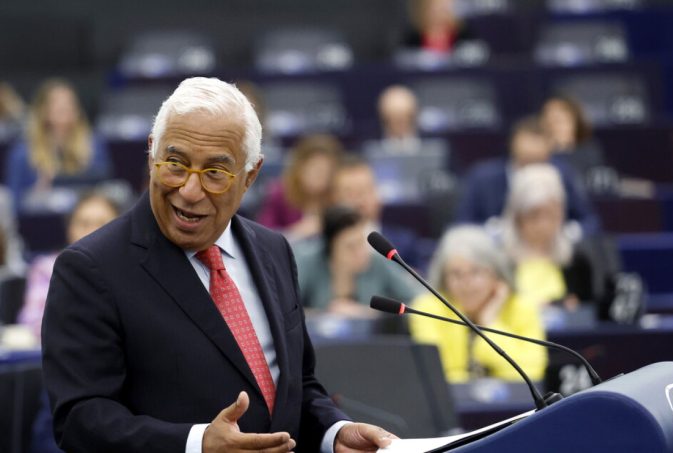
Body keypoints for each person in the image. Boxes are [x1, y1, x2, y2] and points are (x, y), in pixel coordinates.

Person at [41, 77, 395, 453]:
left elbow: (297, 387)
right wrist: (196, 444)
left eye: (214, 173)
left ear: (250, 175)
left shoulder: (274, 250)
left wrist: (334, 432)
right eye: (175, 164)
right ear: (151, 153)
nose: (190, 191)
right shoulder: (91, 269)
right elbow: (81, 420)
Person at [410, 225, 547, 382]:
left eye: (476, 272)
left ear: (496, 274)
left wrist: (490, 322)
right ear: (444, 280)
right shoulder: (428, 310)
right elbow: (436, 376)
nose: (466, 283)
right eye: (456, 274)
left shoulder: (522, 307)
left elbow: (531, 374)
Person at [456, 115, 600, 236]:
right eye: (526, 162)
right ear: (512, 146)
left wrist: (566, 233)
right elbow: (462, 225)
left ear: (549, 152)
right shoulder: (483, 177)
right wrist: (492, 231)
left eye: (537, 163)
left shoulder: (562, 174)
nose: (531, 171)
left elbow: (590, 222)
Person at [18, 192, 121, 339]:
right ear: (70, 229)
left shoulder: (129, 269)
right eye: (84, 224)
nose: (92, 231)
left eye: (102, 224)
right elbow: (33, 321)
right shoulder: (45, 268)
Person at [4, 78, 111, 211]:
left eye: (69, 103)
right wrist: (36, 195)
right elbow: (14, 204)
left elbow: (104, 189)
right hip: (42, 218)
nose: (64, 108)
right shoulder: (22, 153)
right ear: (43, 110)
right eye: (57, 103)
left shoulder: (94, 145)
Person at [498, 164, 595, 310]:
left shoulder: (577, 260)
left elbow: (588, 312)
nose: (543, 225)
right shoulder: (500, 262)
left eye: (550, 215)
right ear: (517, 217)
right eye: (534, 216)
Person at [296, 205, 416, 317]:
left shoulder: (377, 261)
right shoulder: (309, 262)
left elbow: (417, 302)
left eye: (361, 243)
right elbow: (289, 310)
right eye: (351, 247)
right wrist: (325, 315)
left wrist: (364, 313)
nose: (360, 253)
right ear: (330, 247)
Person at [330, 154, 421, 268]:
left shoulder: (405, 243)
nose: (358, 200)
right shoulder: (320, 246)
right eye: (349, 193)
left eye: (363, 191)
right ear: (335, 199)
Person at [257, 134, 342, 241]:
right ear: (300, 167)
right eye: (316, 169)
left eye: (326, 172)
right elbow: (262, 236)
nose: (320, 177)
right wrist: (297, 232)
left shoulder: (336, 197)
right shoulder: (280, 194)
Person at [540, 95, 605, 179]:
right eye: (549, 122)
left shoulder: (589, 151)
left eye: (559, 121)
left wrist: (563, 148)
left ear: (575, 123)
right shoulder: (538, 154)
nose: (555, 128)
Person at [403, 0, 474, 53]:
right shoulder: (412, 40)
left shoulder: (465, 38)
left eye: (444, 7)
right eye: (435, 6)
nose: (440, 11)